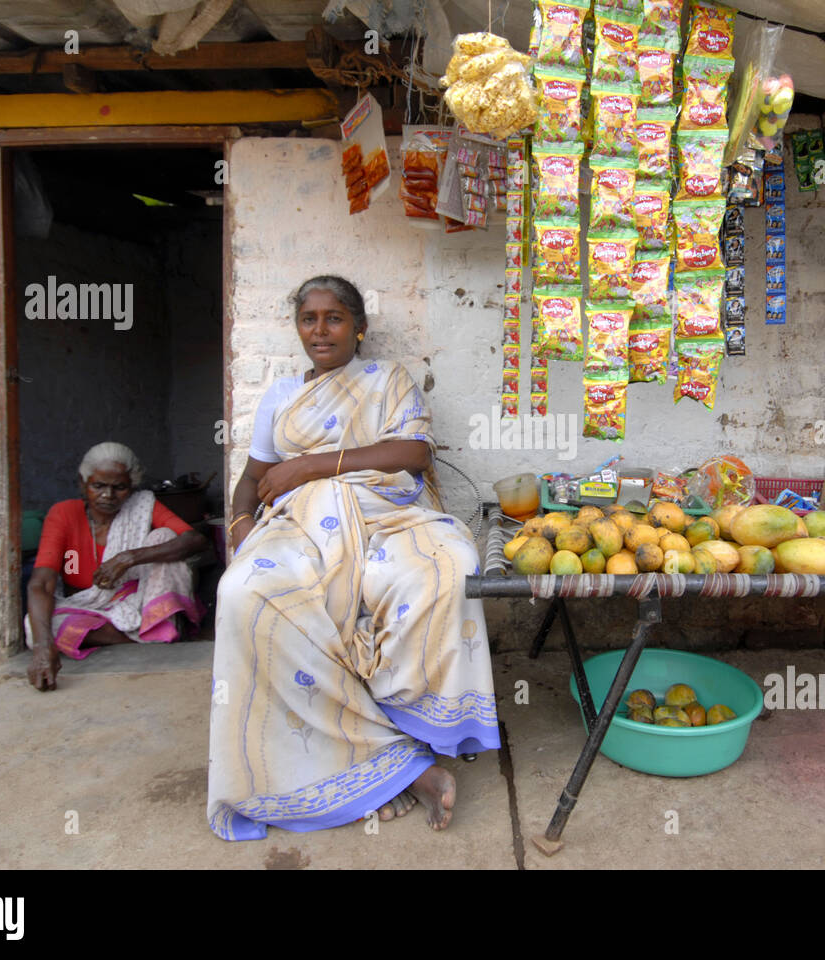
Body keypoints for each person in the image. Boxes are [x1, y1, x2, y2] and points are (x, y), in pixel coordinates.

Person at [207, 275, 498, 841]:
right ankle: (390, 765)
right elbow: (250, 481)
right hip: (299, 525)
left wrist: (311, 465)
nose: (320, 329)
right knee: (243, 592)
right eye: (309, 318)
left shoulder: (388, 379)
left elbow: (413, 454)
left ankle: (406, 737)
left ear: (359, 327)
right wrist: (242, 528)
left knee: (449, 562)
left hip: (387, 515)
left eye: (334, 317)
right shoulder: (282, 395)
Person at [27, 442, 208, 691]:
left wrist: (129, 558)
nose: (108, 496)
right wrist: (42, 647)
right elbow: (41, 583)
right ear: (83, 483)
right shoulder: (63, 514)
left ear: (131, 487)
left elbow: (195, 540)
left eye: (119, 487)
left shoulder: (142, 506)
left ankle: (148, 629)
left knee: (164, 537)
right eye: (98, 486)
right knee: (36, 625)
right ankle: (150, 635)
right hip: (85, 606)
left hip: (136, 601)